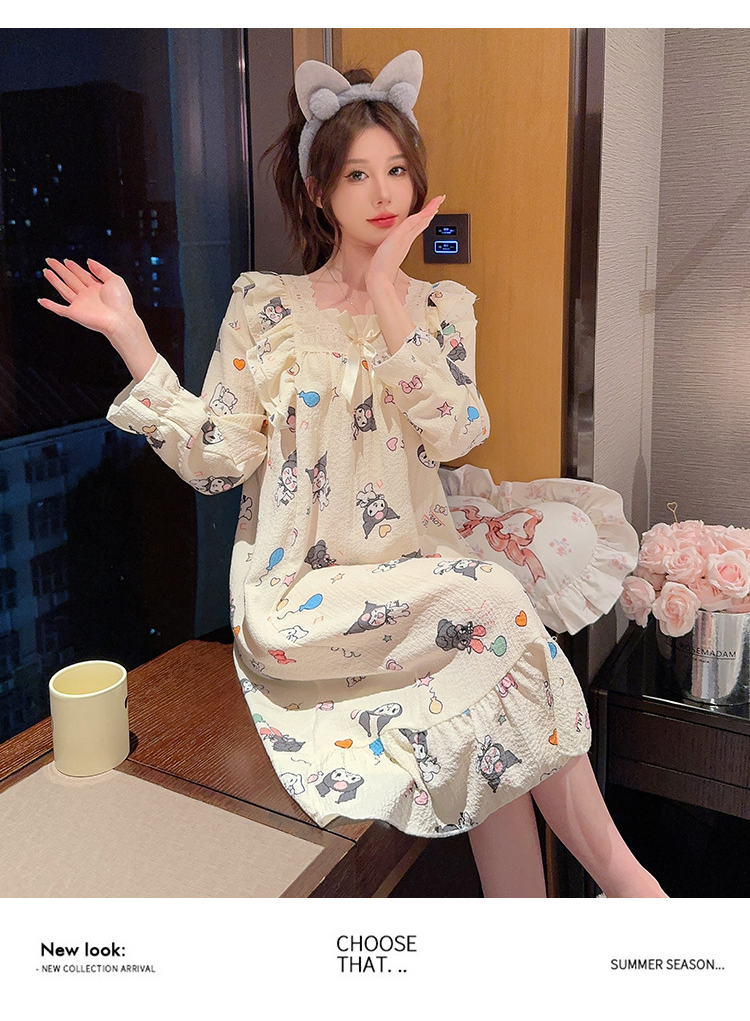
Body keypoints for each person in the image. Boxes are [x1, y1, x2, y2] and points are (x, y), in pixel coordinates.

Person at [39, 50, 666, 898]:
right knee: (494, 604)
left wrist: (388, 295)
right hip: (303, 604)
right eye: (358, 174)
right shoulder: (265, 305)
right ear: (319, 191)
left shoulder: (440, 308)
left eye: (397, 169)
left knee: (493, 721)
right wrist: (132, 339)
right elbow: (220, 461)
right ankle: (631, 885)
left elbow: (458, 433)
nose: (383, 193)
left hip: (419, 594)